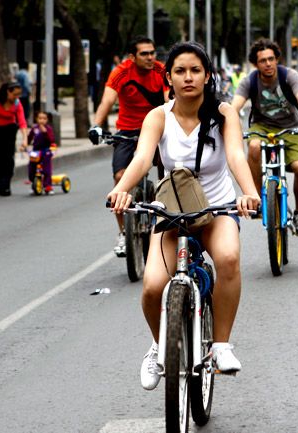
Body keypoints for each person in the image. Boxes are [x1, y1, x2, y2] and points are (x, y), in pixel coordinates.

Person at [107, 41, 260, 390]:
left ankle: (220, 345)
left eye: (195, 70)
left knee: (228, 258)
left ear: (207, 76)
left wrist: (249, 192)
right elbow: (143, 158)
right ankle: (157, 347)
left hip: (217, 208)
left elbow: (236, 156)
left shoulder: (223, 113)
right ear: (169, 78)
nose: (188, 77)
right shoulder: (158, 116)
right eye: (180, 71)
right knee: (152, 287)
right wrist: (124, 188)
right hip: (172, 211)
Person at [89, 36, 170, 257]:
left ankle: (168, 215)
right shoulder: (121, 72)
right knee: (119, 178)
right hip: (127, 130)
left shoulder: (161, 71)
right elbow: (107, 100)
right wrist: (96, 126)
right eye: (144, 54)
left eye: (152, 52)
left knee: (169, 172)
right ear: (132, 57)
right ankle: (124, 231)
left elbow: (168, 99)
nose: (150, 57)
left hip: (156, 128)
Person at [231, 39, 298, 235]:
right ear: (256, 64)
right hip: (262, 127)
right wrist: (224, 126)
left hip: (292, 128)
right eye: (263, 60)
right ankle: (256, 198)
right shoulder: (250, 81)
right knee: (253, 146)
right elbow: (233, 107)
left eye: (271, 59)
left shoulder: (289, 76)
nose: (268, 64)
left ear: (277, 59)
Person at [0, 81, 28, 196]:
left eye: (18, 95)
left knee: (9, 157)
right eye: (15, 94)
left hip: (9, 129)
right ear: (8, 92)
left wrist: (25, 139)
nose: (16, 97)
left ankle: (6, 183)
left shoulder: (17, 103)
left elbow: (22, 122)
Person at [26, 111, 56, 194]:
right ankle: (34, 182)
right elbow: (29, 137)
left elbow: (51, 140)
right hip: (36, 151)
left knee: (46, 168)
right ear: (36, 119)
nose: (42, 120)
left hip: (45, 150)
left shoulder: (48, 129)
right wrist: (25, 144)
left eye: (44, 118)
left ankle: (48, 185)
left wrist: (45, 132)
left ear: (47, 120)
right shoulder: (35, 128)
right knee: (32, 166)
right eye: (40, 118)